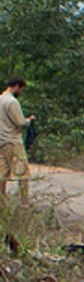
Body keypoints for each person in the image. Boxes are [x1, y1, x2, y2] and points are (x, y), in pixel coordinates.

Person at [0, 78, 31, 206]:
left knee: (2, 174)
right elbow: (20, 122)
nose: (20, 92)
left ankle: (2, 203)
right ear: (17, 86)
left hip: (1, 142)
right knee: (23, 173)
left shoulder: (0, 99)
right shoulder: (12, 102)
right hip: (13, 141)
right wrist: (29, 120)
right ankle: (25, 203)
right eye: (21, 89)